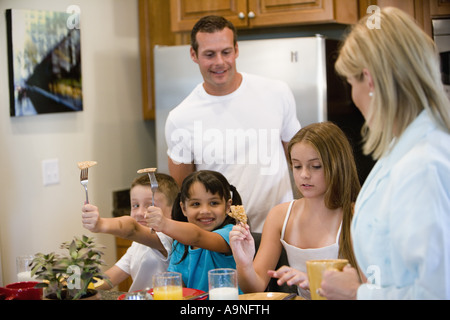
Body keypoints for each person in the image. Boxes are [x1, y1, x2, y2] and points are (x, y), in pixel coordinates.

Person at [319, 7, 450, 300]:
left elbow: (438, 291)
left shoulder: (424, 163)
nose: (353, 96)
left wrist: (358, 294)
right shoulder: (403, 150)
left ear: (371, 81)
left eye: (352, 84)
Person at [165, 15, 301, 232]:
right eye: (209, 54)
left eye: (226, 52)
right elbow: (184, 191)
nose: (219, 62)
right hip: (220, 239)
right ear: (194, 54)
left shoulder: (276, 93)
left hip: (280, 230)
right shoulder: (180, 118)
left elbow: (298, 160)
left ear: (236, 49)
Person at [230, 122, 361, 299]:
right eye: (297, 166)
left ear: (337, 165)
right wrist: (244, 263)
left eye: (315, 166)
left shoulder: (357, 216)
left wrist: (314, 284)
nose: (304, 175)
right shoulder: (280, 216)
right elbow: (255, 287)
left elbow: (370, 290)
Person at [146, 170, 243, 293]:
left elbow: (197, 236)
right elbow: (177, 289)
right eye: (196, 204)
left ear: (228, 206)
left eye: (214, 203)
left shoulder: (232, 234)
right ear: (184, 208)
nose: (205, 211)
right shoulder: (180, 245)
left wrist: (164, 223)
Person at [81, 173, 179, 291]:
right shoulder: (137, 245)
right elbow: (109, 279)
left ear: (173, 211)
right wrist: (77, 287)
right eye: (135, 205)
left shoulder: (168, 239)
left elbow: (132, 228)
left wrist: (100, 224)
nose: (139, 213)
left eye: (150, 205)